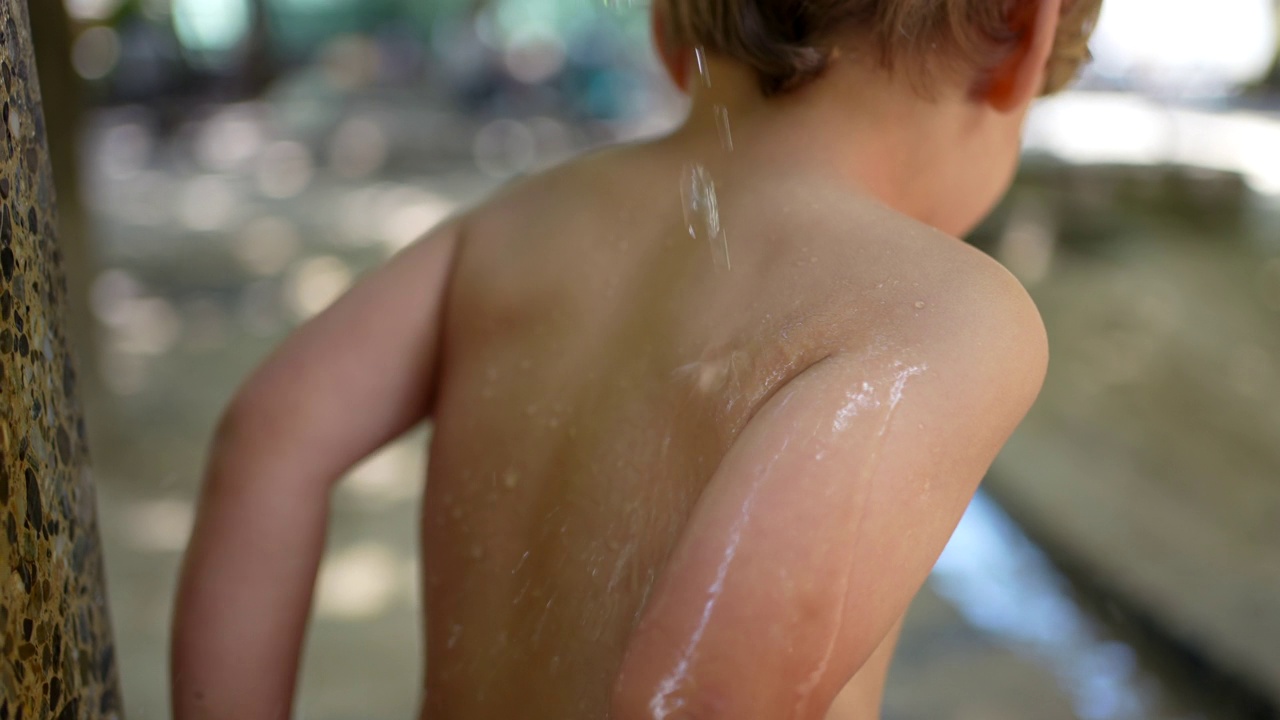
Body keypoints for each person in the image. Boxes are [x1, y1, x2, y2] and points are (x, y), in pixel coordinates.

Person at [171, 0, 1101, 718]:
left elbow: (267, 439)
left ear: (667, 27)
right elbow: (702, 702)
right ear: (1021, 31)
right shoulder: (946, 316)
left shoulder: (516, 223)